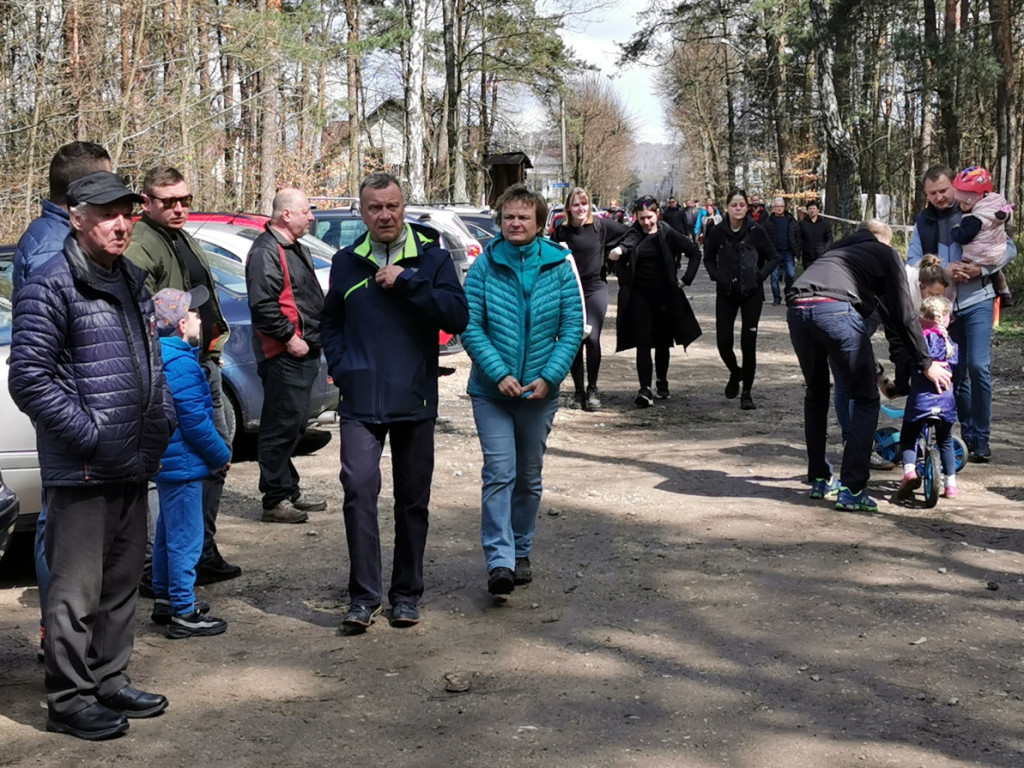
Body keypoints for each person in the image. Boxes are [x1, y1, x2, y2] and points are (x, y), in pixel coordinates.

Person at [9, 171, 175, 740]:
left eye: (127, 211)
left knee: (122, 581)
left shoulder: (131, 278)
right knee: (75, 592)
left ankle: (108, 678)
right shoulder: (51, 284)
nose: (121, 222)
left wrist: (161, 420)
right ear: (76, 217)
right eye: (107, 213)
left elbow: (151, 360)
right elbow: (28, 379)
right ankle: (69, 699)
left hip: (134, 457)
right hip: (83, 465)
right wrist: (90, 434)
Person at [320, 173, 468, 631]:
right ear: (361, 213)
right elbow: (331, 323)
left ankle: (406, 594)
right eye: (374, 208)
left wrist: (408, 283)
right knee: (359, 492)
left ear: (404, 207)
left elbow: (456, 315)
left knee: (412, 501)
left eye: (392, 206)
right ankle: (363, 597)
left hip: (414, 396)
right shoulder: (346, 262)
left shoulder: (433, 259)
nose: (385, 215)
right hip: (360, 399)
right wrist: (344, 368)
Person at [12, 141, 112, 662]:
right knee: (61, 532)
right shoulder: (53, 247)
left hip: (82, 413)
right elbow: (37, 366)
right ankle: (63, 641)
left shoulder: (48, 235)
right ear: (79, 196)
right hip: (74, 419)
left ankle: (72, 637)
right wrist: (86, 427)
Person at [461, 184, 583, 596]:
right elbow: (470, 325)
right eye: (509, 216)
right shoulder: (484, 265)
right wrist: (497, 372)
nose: (515, 223)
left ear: (539, 223)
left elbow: (571, 329)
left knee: (528, 477)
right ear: (500, 222)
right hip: (491, 392)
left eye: (524, 217)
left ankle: (522, 548)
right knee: (499, 473)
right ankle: (500, 560)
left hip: (539, 393)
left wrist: (549, 377)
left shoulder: (560, 264)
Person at [787, 220, 951, 514]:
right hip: (835, 309)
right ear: (884, 241)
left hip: (798, 307)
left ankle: (820, 479)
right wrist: (926, 363)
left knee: (816, 394)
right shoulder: (885, 254)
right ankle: (852, 489)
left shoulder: (836, 251)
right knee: (865, 399)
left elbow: (885, 314)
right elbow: (904, 316)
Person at [125, 165, 238, 586]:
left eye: (184, 200)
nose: (178, 208)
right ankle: (165, 571)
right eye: (168, 202)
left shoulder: (179, 236)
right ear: (147, 203)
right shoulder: (142, 242)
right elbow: (141, 311)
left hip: (202, 361)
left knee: (216, 462)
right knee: (186, 468)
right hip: (174, 369)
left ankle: (200, 553)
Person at [907, 164, 1017, 462]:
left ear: (954, 186)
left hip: (978, 298)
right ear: (926, 195)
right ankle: (965, 433)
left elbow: (1010, 248)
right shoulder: (922, 222)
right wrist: (944, 269)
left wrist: (981, 268)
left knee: (978, 366)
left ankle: (981, 437)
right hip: (943, 308)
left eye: (944, 190)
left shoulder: (977, 209)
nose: (940, 197)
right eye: (933, 193)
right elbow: (913, 261)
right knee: (956, 372)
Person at [150, 287, 231, 638]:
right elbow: (196, 421)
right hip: (183, 464)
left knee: (168, 534)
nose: (200, 318)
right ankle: (184, 610)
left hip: (168, 463)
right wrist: (221, 455)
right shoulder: (181, 363)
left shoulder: (161, 355)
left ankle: (165, 599)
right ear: (183, 323)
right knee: (187, 539)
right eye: (195, 314)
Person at [245, 189, 327, 522]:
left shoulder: (294, 248)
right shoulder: (266, 251)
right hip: (283, 354)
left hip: (305, 349)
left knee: (293, 425)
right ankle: (275, 499)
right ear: (286, 215)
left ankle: (288, 489)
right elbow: (263, 306)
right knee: (280, 426)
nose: (312, 217)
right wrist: (290, 339)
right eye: (307, 211)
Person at [611, 195, 702, 407]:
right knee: (643, 342)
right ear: (636, 217)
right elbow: (618, 260)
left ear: (657, 214)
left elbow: (694, 251)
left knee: (662, 342)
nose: (646, 222)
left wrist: (686, 279)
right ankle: (644, 389)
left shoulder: (667, 233)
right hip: (639, 296)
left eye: (649, 217)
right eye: (642, 218)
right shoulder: (632, 235)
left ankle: (661, 381)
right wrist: (626, 283)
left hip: (664, 295)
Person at [553, 186, 637, 411]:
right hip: (569, 291)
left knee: (592, 338)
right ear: (568, 207)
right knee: (573, 340)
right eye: (576, 204)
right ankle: (579, 391)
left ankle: (593, 388)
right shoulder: (561, 232)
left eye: (584, 203)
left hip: (594, 288)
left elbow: (633, 233)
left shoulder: (600, 226)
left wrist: (621, 249)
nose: (581, 208)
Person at [703, 189, 778, 410]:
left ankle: (747, 393)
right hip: (726, 292)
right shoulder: (717, 231)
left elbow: (774, 258)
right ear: (726, 207)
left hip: (751, 293)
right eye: (734, 205)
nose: (738, 208)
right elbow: (708, 259)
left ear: (747, 207)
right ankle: (736, 372)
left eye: (742, 205)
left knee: (748, 343)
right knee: (723, 342)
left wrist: (759, 276)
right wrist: (717, 276)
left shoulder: (756, 230)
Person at [895, 296, 960, 501]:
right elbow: (957, 376)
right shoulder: (952, 346)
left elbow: (902, 370)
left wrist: (903, 386)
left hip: (920, 404)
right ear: (947, 319)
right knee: (946, 441)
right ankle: (950, 485)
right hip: (946, 404)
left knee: (908, 437)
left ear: (920, 319)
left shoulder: (914, 347)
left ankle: (909, 472)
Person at [949, 166, 1013, 269]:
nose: (961, 207)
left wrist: (955, 229)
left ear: (973, 200)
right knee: (997, 277)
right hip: (999, 250)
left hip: (980, 257)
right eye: (960, 203)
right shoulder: (995, 203)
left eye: (964, 203)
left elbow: (963, 237)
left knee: (960, 270)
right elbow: (1006, 213)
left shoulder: (974, 218)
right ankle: (1002, 285)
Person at [763, 196, 801, 306]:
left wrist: (797, 249)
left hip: (788, 252)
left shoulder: (791, 220)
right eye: (777, 206)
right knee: (774, 277)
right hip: (774, 254)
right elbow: (764, 238)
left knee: (790, 275)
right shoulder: (768, 222)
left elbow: (798, 236)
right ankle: (777, 298)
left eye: (781, 206)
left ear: (784, 207)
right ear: (773, 208)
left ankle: (788, 294)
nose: (779, 208)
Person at [798, 200, 832, 268]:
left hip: (821, 256)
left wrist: (825, 250)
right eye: (810, 209)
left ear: (818, 210)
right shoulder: (802, 224)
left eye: (814, 208)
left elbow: (829, 239)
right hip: (807, 256)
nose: (812, 211)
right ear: (807, 211)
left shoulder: (825, 224)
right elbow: (799, 238)